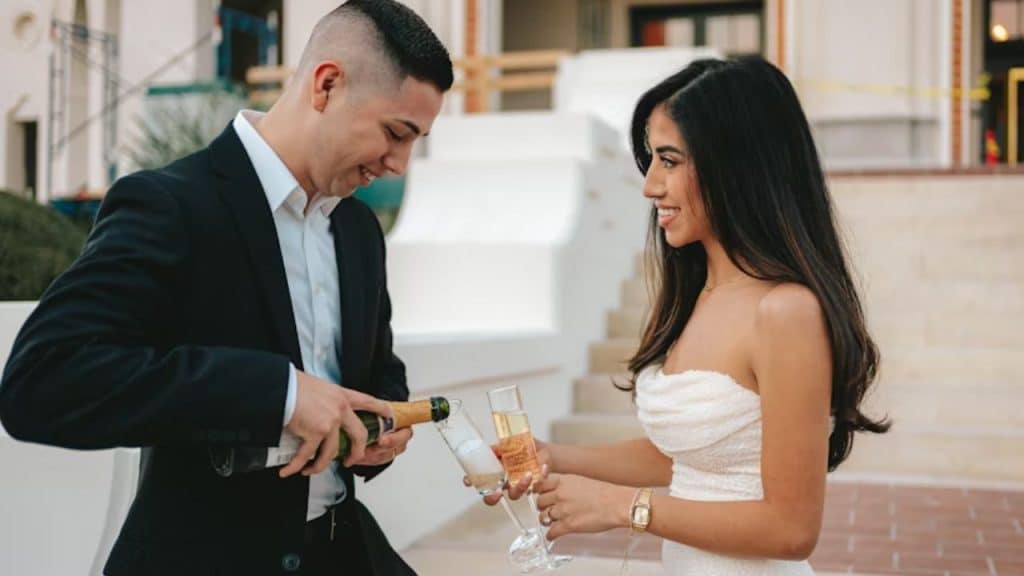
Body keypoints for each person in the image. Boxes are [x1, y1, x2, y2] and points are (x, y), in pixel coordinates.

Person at [0, 1, 452, 574]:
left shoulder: (359, 229)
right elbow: (43, 382)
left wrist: (381, 430)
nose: (400, 164)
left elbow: (378, 372)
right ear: (327, 85)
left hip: (343, 549)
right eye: (396, 133)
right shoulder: (170, 205)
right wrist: (282, 394)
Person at [492, 57, 889, 575]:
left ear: (736, 167)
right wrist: (555, 457)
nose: (650, 185)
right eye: (651, 160)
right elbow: (686, 456)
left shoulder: (785, 312)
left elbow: (792, 531)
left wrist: (621, 507)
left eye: (670, 160)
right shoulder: (699, 294)